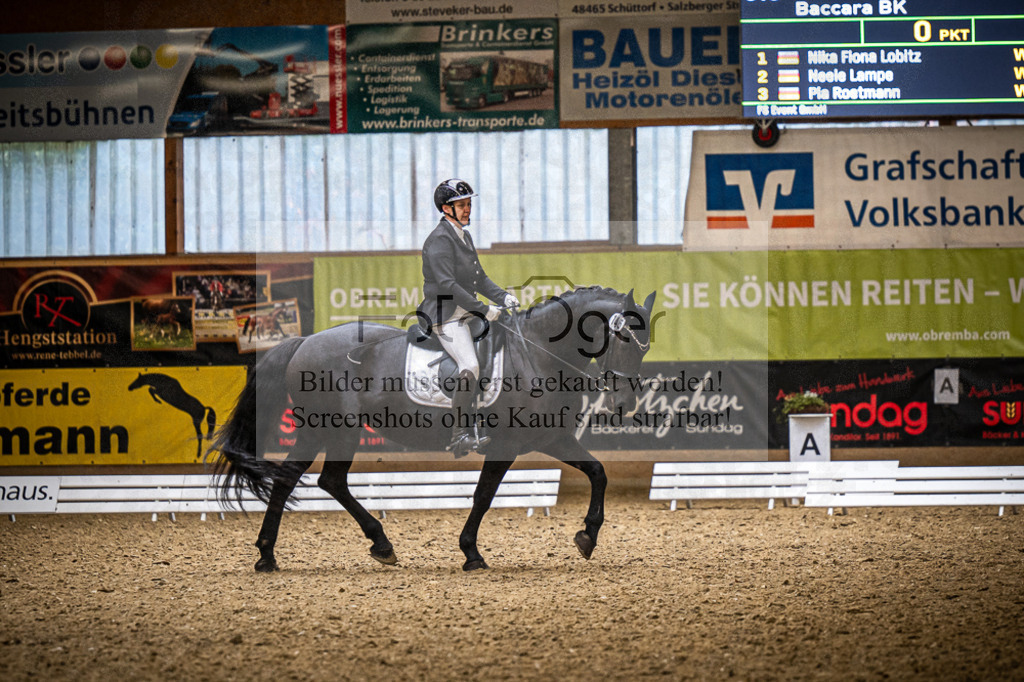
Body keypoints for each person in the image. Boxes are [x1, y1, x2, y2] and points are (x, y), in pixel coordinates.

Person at [417, 179, 519, 457]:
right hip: (446, 315)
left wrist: (503, 297)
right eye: (461, 205)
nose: (467, 209)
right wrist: (484, 309)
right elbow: (448, 285)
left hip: (465, 312)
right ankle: (459, 434)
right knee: (470, 365)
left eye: (468, 204)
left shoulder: (464, 235)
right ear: (445, 208)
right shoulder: (438, 240)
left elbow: (480, 278)